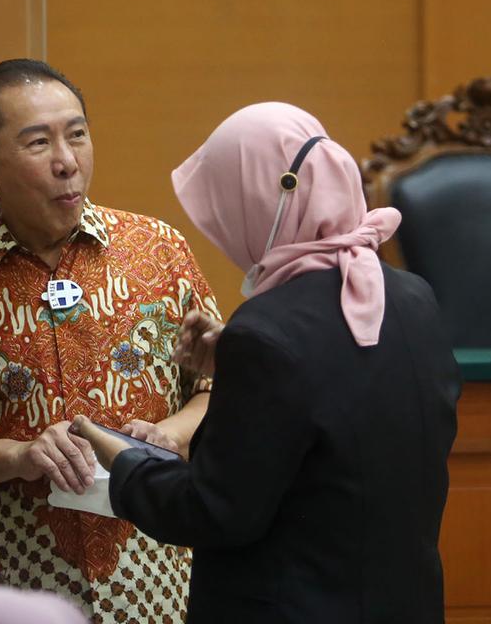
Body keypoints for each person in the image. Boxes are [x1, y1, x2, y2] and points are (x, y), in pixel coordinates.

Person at [72, 102, 462, 623]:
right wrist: (239, 362)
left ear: (268, 200)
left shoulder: (266, 334)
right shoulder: (414, 298)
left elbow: (214, 511)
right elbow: (357, 411)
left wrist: (122, 461)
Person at [0, 59, 221, 622]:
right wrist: (18, 455)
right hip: (24, 590)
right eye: (39, 143)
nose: (67, 162)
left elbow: (221, 387)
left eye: (77, 135)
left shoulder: (159, 251)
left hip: (163, 586)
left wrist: (170, 434)